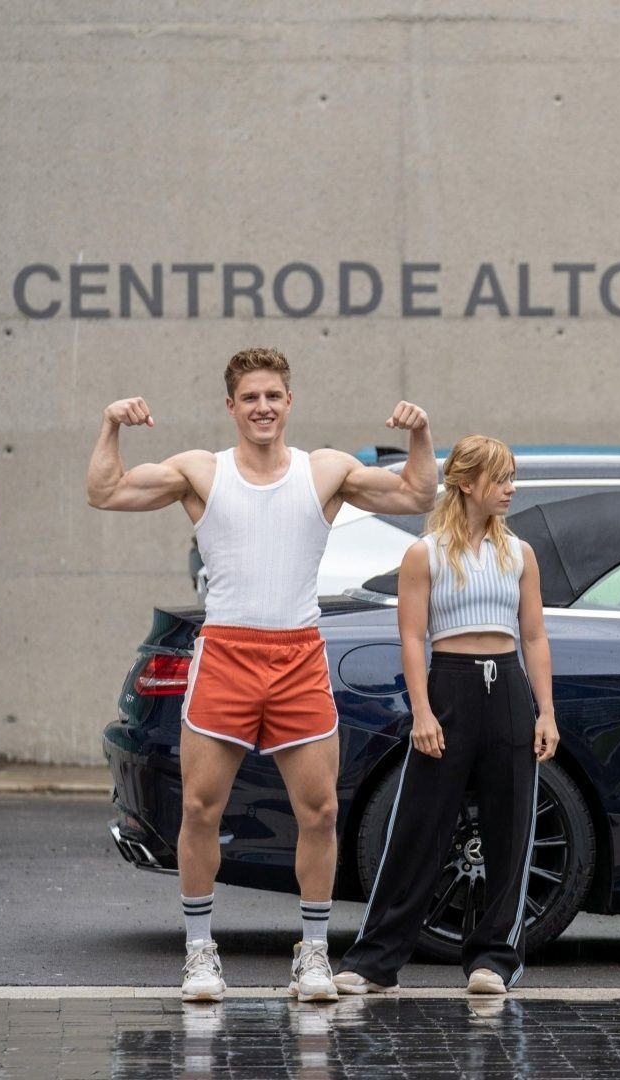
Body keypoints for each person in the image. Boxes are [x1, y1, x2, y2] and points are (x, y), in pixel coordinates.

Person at [86, 347, 436, 1002]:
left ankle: (313, 954)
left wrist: (419, 434)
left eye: (273, 395)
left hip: (298, 655)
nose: (263, 407)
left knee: (321, 811)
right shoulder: (202, 471)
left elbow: (418, 493)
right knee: (200, 807)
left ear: (289, 402)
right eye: (250, 397)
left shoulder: (324, 470)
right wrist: (110, 425)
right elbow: (105, 491)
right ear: (232, 407)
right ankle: (200, 954)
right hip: (226, 655)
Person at [334, 434, 559, 996]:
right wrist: (422, 712)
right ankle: (375, 962)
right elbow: (412, 638)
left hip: (508, 688)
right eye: (499, 479)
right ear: (465, 483)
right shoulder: (425, 554)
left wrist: (546, 712)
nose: (510, 489)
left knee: (511, 828)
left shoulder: (520, 553)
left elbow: (534, 636)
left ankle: (493, 961)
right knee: (419, 826)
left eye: (511, 478)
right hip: (450, 688)